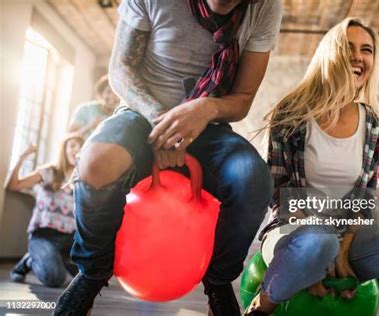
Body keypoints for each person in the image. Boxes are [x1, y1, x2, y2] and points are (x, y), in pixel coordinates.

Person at [54, 0, 282, 315]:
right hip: (141, 113)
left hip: (208, 125)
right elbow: (120, 71)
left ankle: (218, 281)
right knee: (96, 160)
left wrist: (206, 108)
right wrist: (164, 122)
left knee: (253, 179)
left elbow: (242, 99)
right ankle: (92, 271)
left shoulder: (265, 7)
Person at [245, 18, 379, 316]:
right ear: (331, 54)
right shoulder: (289, 113)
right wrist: (323, 248)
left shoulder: (371, 123)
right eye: (348, 47)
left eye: (366, 50)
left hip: (349, 239)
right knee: (318, 241)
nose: (358, 56)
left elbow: (365, 197)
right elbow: (279, 195)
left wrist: (345, 244)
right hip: (295, 235)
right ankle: (259, 308)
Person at [6, 134, 84, 288]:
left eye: (81, 146)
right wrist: (23, 157)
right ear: (64, 149)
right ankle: (29, 260)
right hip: (44, 236)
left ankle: (58, 258)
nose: (77, 149)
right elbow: (12, 185)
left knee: (87, 277)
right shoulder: (48, 172)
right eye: (73, 145)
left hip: (69, 241)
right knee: (55, 278)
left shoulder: (82, 180)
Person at [68, 75, 120, 139]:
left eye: (116, 94)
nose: (112, 96)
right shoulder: (84, 109)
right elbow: (70, 138)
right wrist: (90, 126)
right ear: (101, 93)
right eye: (108, 92)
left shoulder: (121, 115)